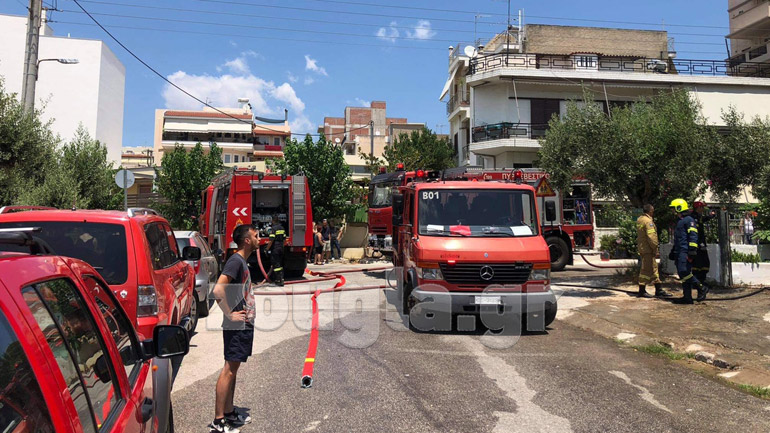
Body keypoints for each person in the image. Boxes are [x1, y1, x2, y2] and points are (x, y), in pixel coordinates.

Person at [209, 224, 256, 433]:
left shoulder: (242, 262)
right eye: (255, 235)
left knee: (233, 370)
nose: (259, 238)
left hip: (242, 325)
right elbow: (217, 290)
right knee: (228, 370)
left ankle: (228, 413)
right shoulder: (236, 261)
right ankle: (218, 421)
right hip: (236, 325)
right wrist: (230, 314)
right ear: (246, 240)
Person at [668, 199, 708, 304]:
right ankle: (687, 297)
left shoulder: (688, 220)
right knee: (683, 275)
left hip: (685, 251)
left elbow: (693, 235)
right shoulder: (680, 221)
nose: (673, 211)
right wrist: (673, 251)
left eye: (674, 208)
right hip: (679, 251)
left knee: (684, 271)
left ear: (679, 208)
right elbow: (678, 238)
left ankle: (701, 287)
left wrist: (692, 250)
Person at [636, 204, 671, 298]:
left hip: (643, 248)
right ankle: (642, 290)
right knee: (646, 270)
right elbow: (651, 237)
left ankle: (658, 289)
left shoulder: (640, 219)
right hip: (648, 249)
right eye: (653, 211)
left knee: (653, 269)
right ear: (650, 211)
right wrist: (655, 248)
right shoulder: (648, 221)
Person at [692, 201, 715, 285]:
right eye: (702, 208)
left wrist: (711, 216)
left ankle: (701, 280)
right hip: (697, 244)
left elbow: (703, 219)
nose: (703, 209)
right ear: (698, 208)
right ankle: (697, 281)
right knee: (698, 262)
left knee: (704, 262)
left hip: (701, 243)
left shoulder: (698, 216)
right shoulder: (693, 217)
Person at [266, 215, 286, 286]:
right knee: (280, 264)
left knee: (276, 264)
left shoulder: (273, 229)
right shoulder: (282, 228)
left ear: (273, 221)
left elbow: (271, 240)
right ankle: (281, 279)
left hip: (275, 248)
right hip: (281, 248)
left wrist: (267, 249)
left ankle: (278, 280)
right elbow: (284, 239)